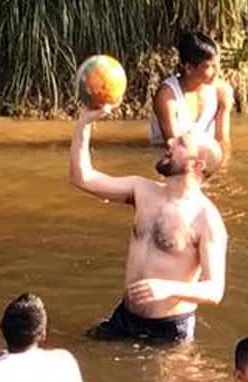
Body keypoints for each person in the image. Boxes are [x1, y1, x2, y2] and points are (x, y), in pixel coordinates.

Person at [69, 104, 228, 344]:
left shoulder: (207, 220)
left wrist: (168, 288)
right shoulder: (142, 190)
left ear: (197, 165)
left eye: (182, 143)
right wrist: (84, 123)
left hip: (170, 331)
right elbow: (81, 177)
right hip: (124, 317)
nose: (170, 142)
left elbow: (215, 290)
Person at [149, 30, 234, 161]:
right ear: (189, 68)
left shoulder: (222, 92)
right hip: (168, 158)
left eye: (217, 65)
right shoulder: (167, 97)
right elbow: (174, 147)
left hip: (203, 159)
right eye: (209, 67)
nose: (217, 72)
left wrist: (221, 175)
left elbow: (222, 142)